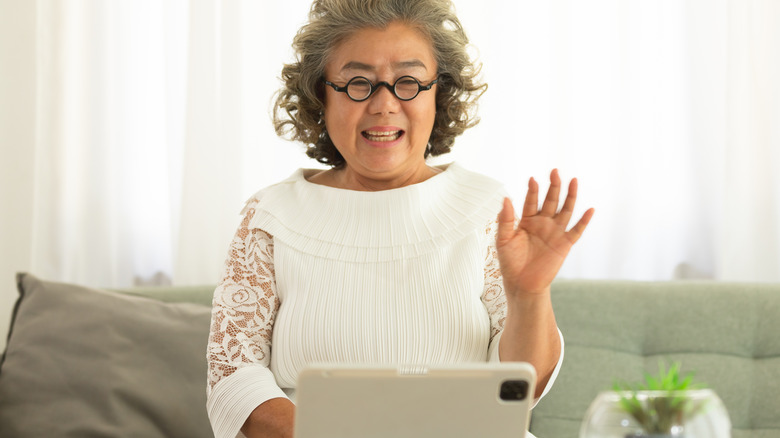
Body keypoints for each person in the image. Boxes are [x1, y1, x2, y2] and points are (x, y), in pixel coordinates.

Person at [206, 1, 594, 437]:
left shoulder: (488, 209)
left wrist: (529, 296)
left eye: (408, 81)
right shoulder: (271, 216)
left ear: (438, 94)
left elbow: (520, 388)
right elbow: (233, 378)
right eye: (358, 83)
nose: (384, 105)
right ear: (321, 95)